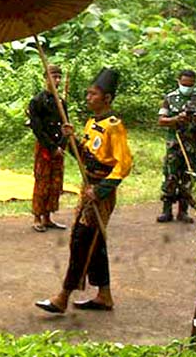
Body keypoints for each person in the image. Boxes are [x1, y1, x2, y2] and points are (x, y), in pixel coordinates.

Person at [35, 68, 132, 314]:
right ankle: (104, 295)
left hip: (100, 194)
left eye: (94, 94)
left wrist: (102, 190)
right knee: (93, 243)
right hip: (86, 189)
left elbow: (124, 164)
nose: (88, 98)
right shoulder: (92, 123)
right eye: (88, 94)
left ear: (107, 99)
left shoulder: (114, 126)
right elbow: (84, 155)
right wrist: (71, 139)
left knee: (82, 241)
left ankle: (62, 297)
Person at [157, 70, 196, 223]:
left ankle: (183, 212)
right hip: (174, 143)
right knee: (170, 175)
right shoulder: (170, 98)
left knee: (189, 177)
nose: (187, 87)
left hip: (194, 145)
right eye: (184, 84)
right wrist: (176, 119)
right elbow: (161, 120)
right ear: (178, 81)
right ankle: (166, 210)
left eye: (190, 85)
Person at [28, 64, 68, 233]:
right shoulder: (37, 101)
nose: (57, 80)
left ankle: (48, 217)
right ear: (46, 78)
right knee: (42, 181)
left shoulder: (61, 102)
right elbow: (37, 128)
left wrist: (62, 145)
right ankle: (37, 217)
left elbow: (65, 126)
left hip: (59, 148)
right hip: (45, 148)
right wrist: (52, 147)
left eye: (59, 77)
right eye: (53, 77)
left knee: (55, 183)